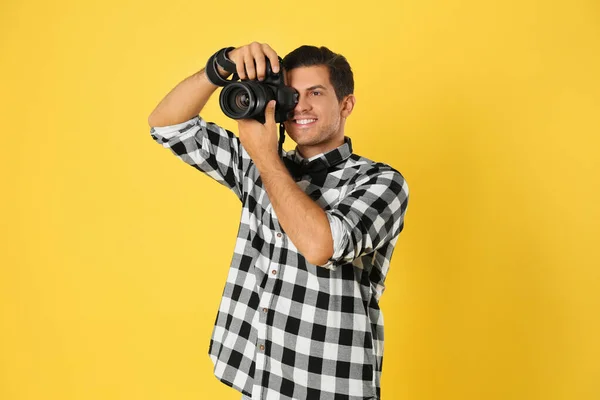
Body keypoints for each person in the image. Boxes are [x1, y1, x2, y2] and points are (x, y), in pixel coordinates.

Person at [148, 42, 409, 400]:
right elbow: (167, 125)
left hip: (327, 386)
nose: (299, 105)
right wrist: (219, 67)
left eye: (315, 93)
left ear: (346, 104)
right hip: (257, 381)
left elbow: (322, 245)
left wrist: (266, 158)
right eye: (291, 94)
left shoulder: (381, 182)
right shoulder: (260, 163)